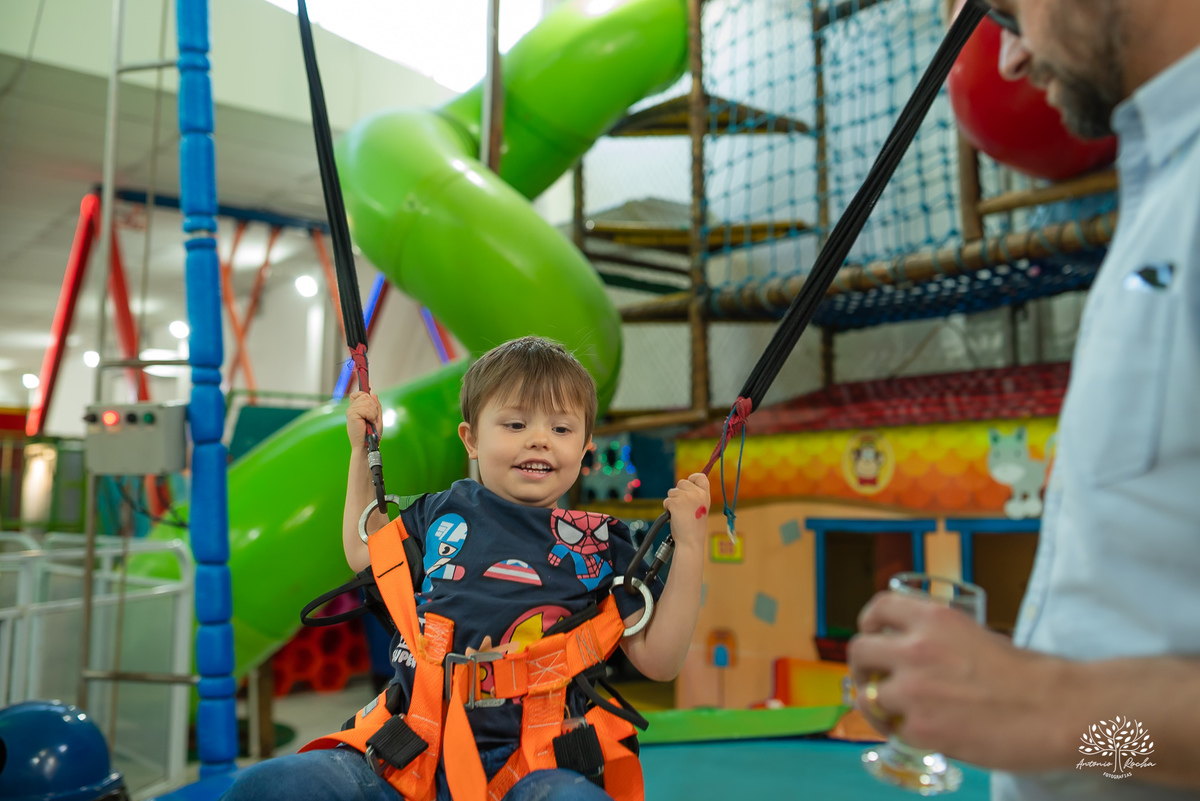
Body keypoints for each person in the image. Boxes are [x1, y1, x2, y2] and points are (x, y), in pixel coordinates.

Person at [848, 0, 1200, 798]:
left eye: (1003, 12)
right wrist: (1055, 721)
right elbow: (1144, 755)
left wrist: (1052, 710)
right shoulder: (1162, 198)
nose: (1006, 62)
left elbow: (1073, 724)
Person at [222, 336, 710, 801]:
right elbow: (362, 549)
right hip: (410, 747)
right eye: (515, 425)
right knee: (269, 787)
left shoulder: (600, 541)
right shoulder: (444, 511)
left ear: (584, 450)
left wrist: (690, 546)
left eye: (561, 429)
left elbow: (658, 662)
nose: (539, 441)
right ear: (471, 440)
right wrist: (359, 452)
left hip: (535, 760)